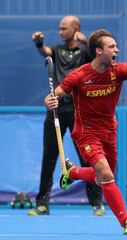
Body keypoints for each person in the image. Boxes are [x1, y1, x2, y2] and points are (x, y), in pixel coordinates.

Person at [44, 29, 127, 235]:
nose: (117, 50)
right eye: (112, 47)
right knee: (105, 174)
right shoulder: (79, 75)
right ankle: (126, 221)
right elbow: (55, 94)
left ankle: (72, 172)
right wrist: (50, 100)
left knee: (103, 177)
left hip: (109, 131)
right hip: (86, 132)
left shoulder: (119, 70)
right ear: (99, 51)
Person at [28, 15, 105, 216]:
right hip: (56, 109)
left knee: (88, 156)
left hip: (80, 111)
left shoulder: (86, 51)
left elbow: (98, 60)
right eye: (60, 29)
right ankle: (42, 203)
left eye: (64, 28)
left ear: (75, 28)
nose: (61, 32)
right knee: (50, 157)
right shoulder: (56, 50)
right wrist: (39, 42)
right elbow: (43, 51)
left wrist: (86, 41)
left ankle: (97, 202)